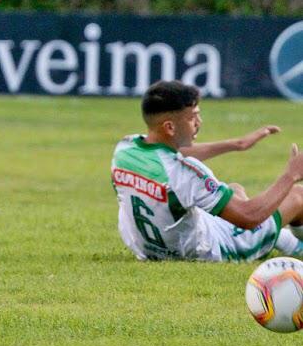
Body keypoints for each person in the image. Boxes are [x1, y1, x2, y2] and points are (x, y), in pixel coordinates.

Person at [110, 79, 303, 262]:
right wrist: (291, 174)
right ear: (169, 127)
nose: (198, 122)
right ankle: (294, 246)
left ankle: (281, 238)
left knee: (234, 189)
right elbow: (248, 217)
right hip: (211, 250)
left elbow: (170, 154)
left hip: (148, 250)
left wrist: (238, 144)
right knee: (297, 195)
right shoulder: (185, 173)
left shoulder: (125, 149)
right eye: (192, 117)